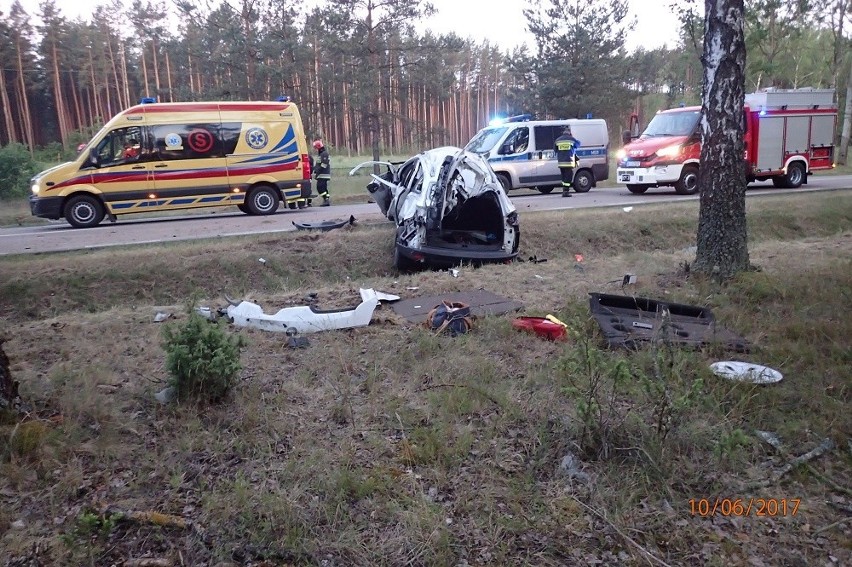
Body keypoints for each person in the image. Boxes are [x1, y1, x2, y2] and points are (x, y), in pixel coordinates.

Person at [554, 126, 581, 197]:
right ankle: (566, 192)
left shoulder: (557, 140)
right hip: (568, 162)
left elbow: (555, 150)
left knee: (563, 176)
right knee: (568, 176)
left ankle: (564, 190)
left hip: (561, 162)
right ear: (569, 133)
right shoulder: (571, 139)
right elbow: (578, 145)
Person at [312, 139, 331, 206]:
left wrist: (317, 171)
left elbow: (324, 164)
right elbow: (318, 164)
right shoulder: (321, 154)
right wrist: (314, 169)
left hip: (323, 174)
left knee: (320, 188)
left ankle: (326, 199)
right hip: (321, 174)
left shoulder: (324, 154)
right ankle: (326, 199)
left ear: (318, 147)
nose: (316, 149)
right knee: (323, 188)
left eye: (316, 148)